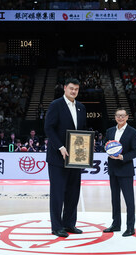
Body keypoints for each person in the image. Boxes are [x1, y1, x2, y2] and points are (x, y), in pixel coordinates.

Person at [44, 78, 87, 238]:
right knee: (58, 193)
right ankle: (57, 227)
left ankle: (69, 224)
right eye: (71, 88)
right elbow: (49, 128)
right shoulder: (56, 105)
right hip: (57, 157)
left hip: (76, 158)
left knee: (73, 193)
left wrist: (89, 141)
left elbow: (82, 131)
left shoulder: (81, 108)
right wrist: (60, 147)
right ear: (64, 88)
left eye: (76, 89)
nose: (74, 91)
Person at [103, 108, 136, 237]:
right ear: (115, 117)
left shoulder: (132, 132)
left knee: (129, 200)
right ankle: (116, 224)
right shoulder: (110, 131)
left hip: (125, 170)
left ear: (127, 117)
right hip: (113, 169)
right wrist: (106, 147)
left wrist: (122, 157)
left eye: (123, 116)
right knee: (115, 199)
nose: (120, 118)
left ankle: (130, 227)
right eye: (118, 116)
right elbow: (106, 146)